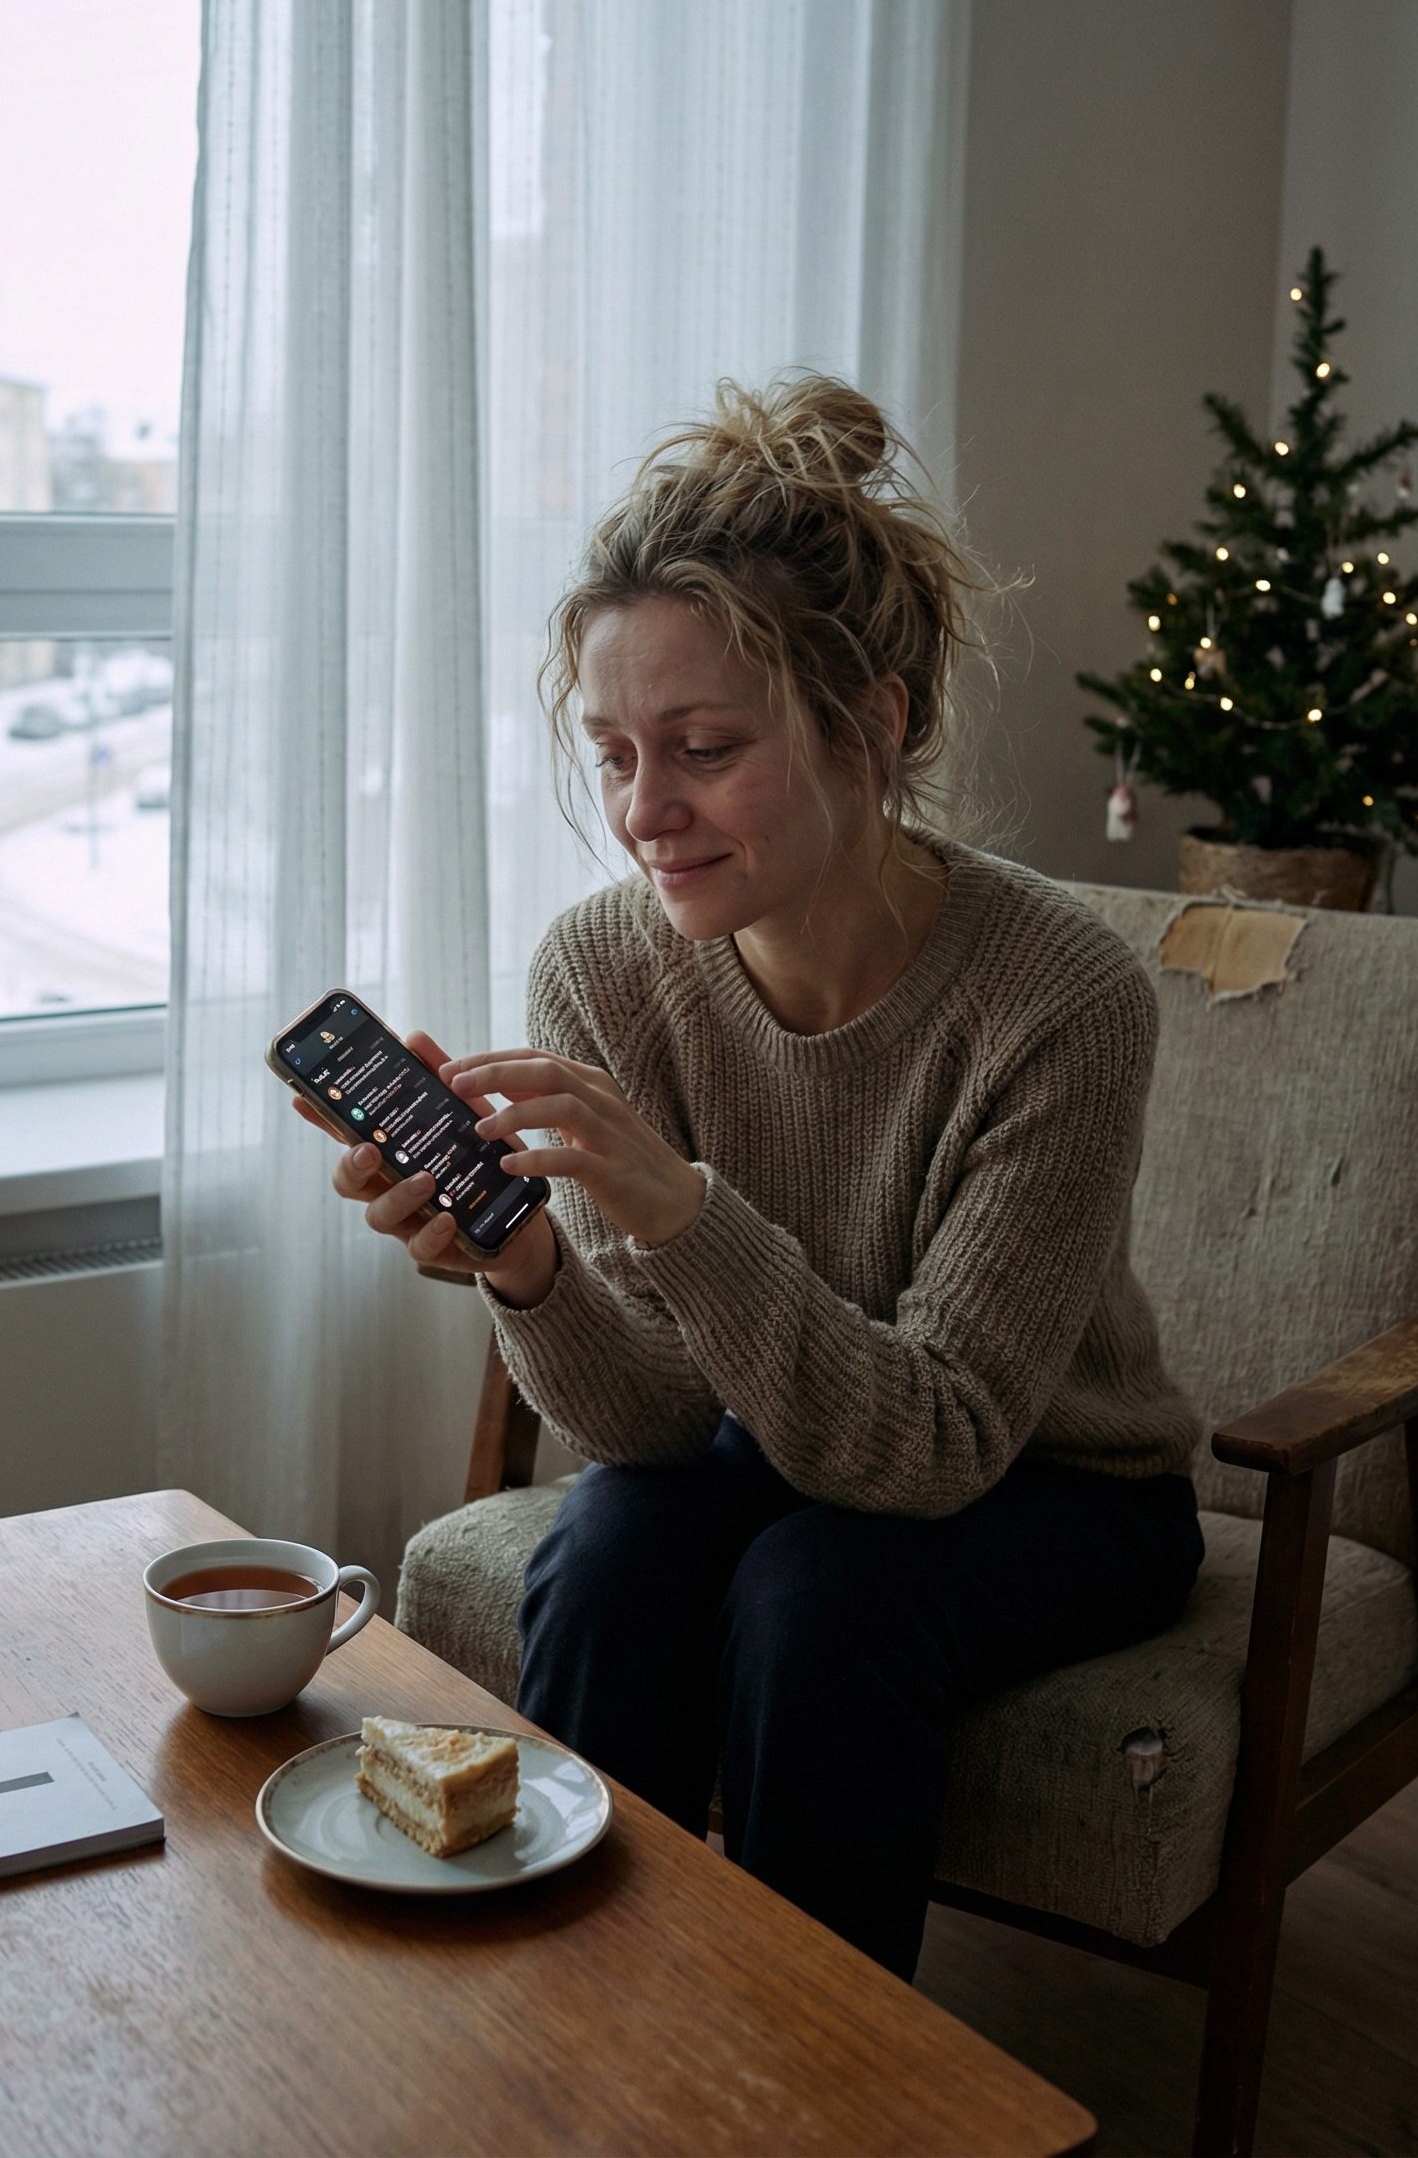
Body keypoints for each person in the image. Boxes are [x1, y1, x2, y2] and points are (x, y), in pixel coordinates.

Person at [303, 375, 1203, 1979]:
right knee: (615, 1549)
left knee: (825, 1596)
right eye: (616, 752)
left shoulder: (1060, 997)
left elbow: (936, 1446)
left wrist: (680, 1208)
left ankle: (811, 2088)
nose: (646, 814)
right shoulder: (604, 967)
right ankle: (577, 2030)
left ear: (880, 725)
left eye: (706, 749)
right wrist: (531, 1274)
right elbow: (648, 1432)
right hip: (780, 1432)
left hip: (1054, 1480)